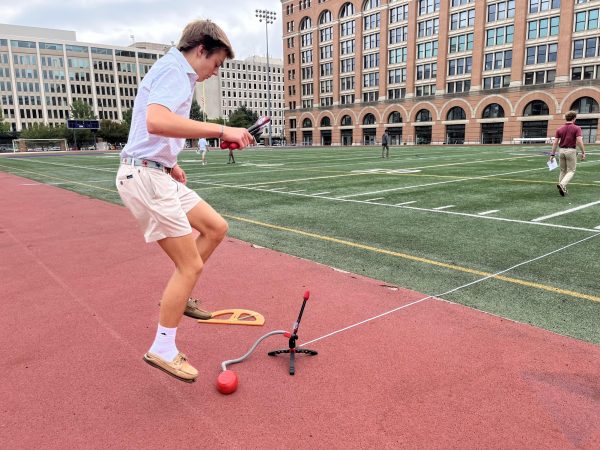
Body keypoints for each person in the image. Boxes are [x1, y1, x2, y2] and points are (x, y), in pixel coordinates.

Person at [116, 20, 253, 383]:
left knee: (215, 227)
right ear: (201, 50)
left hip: (157, 171)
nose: (215, 71)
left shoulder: (176, 72)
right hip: (145, 177)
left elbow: (150, 128)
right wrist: (222, 129)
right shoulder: (176, 70)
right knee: (189, 265)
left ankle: (182, 296)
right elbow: (157, 120)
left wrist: (171, 162)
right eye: (217, 63)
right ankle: (163, 347)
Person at [549, 111, 586, 196]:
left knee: (562, 170)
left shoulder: (559, 129)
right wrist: (583, 152)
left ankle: (563, 188)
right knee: (571, 171)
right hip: (571, 151)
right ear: (574, 118)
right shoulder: (577, 128)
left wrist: (552, 154)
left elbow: (555, 143)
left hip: (561, 150)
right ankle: (562, 185)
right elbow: (579, 141)